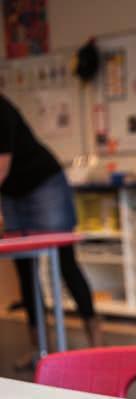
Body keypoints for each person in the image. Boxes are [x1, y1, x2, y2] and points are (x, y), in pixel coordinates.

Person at [0, 94, 101, 368]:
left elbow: (1, 167)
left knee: (65, 262)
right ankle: (43, 353)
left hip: (44, 184)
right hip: (11, 193)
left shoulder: (1, 109)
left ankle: (97, 345)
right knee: (25, 270)